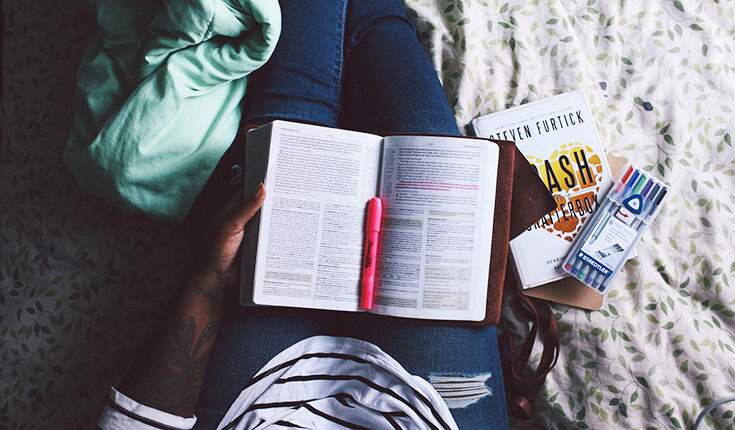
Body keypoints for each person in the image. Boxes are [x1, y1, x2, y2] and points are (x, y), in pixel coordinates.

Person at [97, 0, 510, 428]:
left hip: (257, 409)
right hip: (429, 415)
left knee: (291, 122)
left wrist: (210, 281)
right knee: (423, 140)